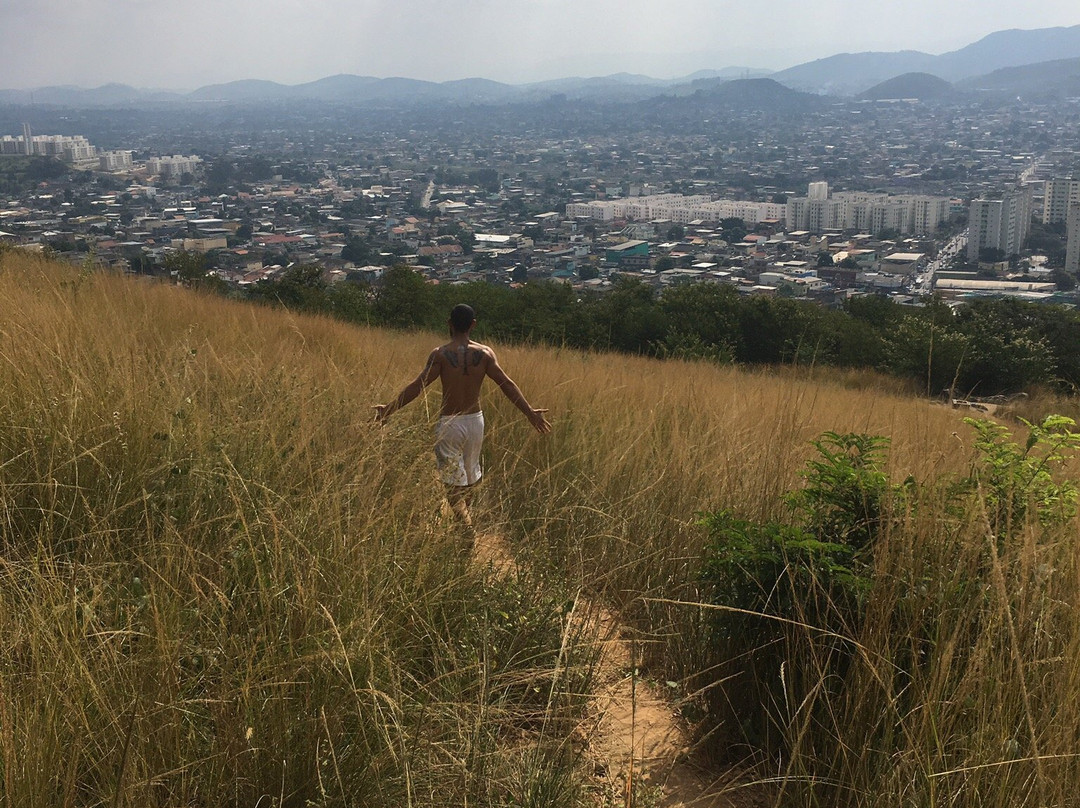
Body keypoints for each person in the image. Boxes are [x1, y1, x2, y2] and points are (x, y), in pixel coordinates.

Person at [373, 304, 551, 531]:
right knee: (470, 473)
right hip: (476, 422)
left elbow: (418, 386)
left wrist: (388, 409)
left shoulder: (440, 355)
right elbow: (507, 384)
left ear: (449, 324)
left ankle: (464, 527)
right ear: (473, 325)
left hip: (450, 423)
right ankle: (464, 521)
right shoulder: (485, 353)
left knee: (451, 484)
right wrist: (530, 413)